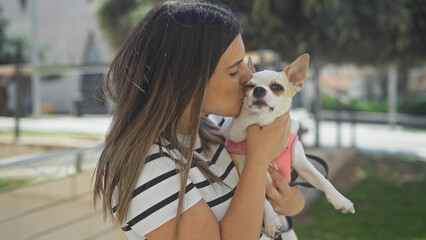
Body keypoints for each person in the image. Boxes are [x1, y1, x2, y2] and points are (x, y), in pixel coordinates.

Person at [93, 1, 305, 239]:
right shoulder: (149, 168)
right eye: (234, 71)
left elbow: (263, 204)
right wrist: (258, 159)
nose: (249, 77)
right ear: (187, 81)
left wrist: (292, 203)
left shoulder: (210, 131)